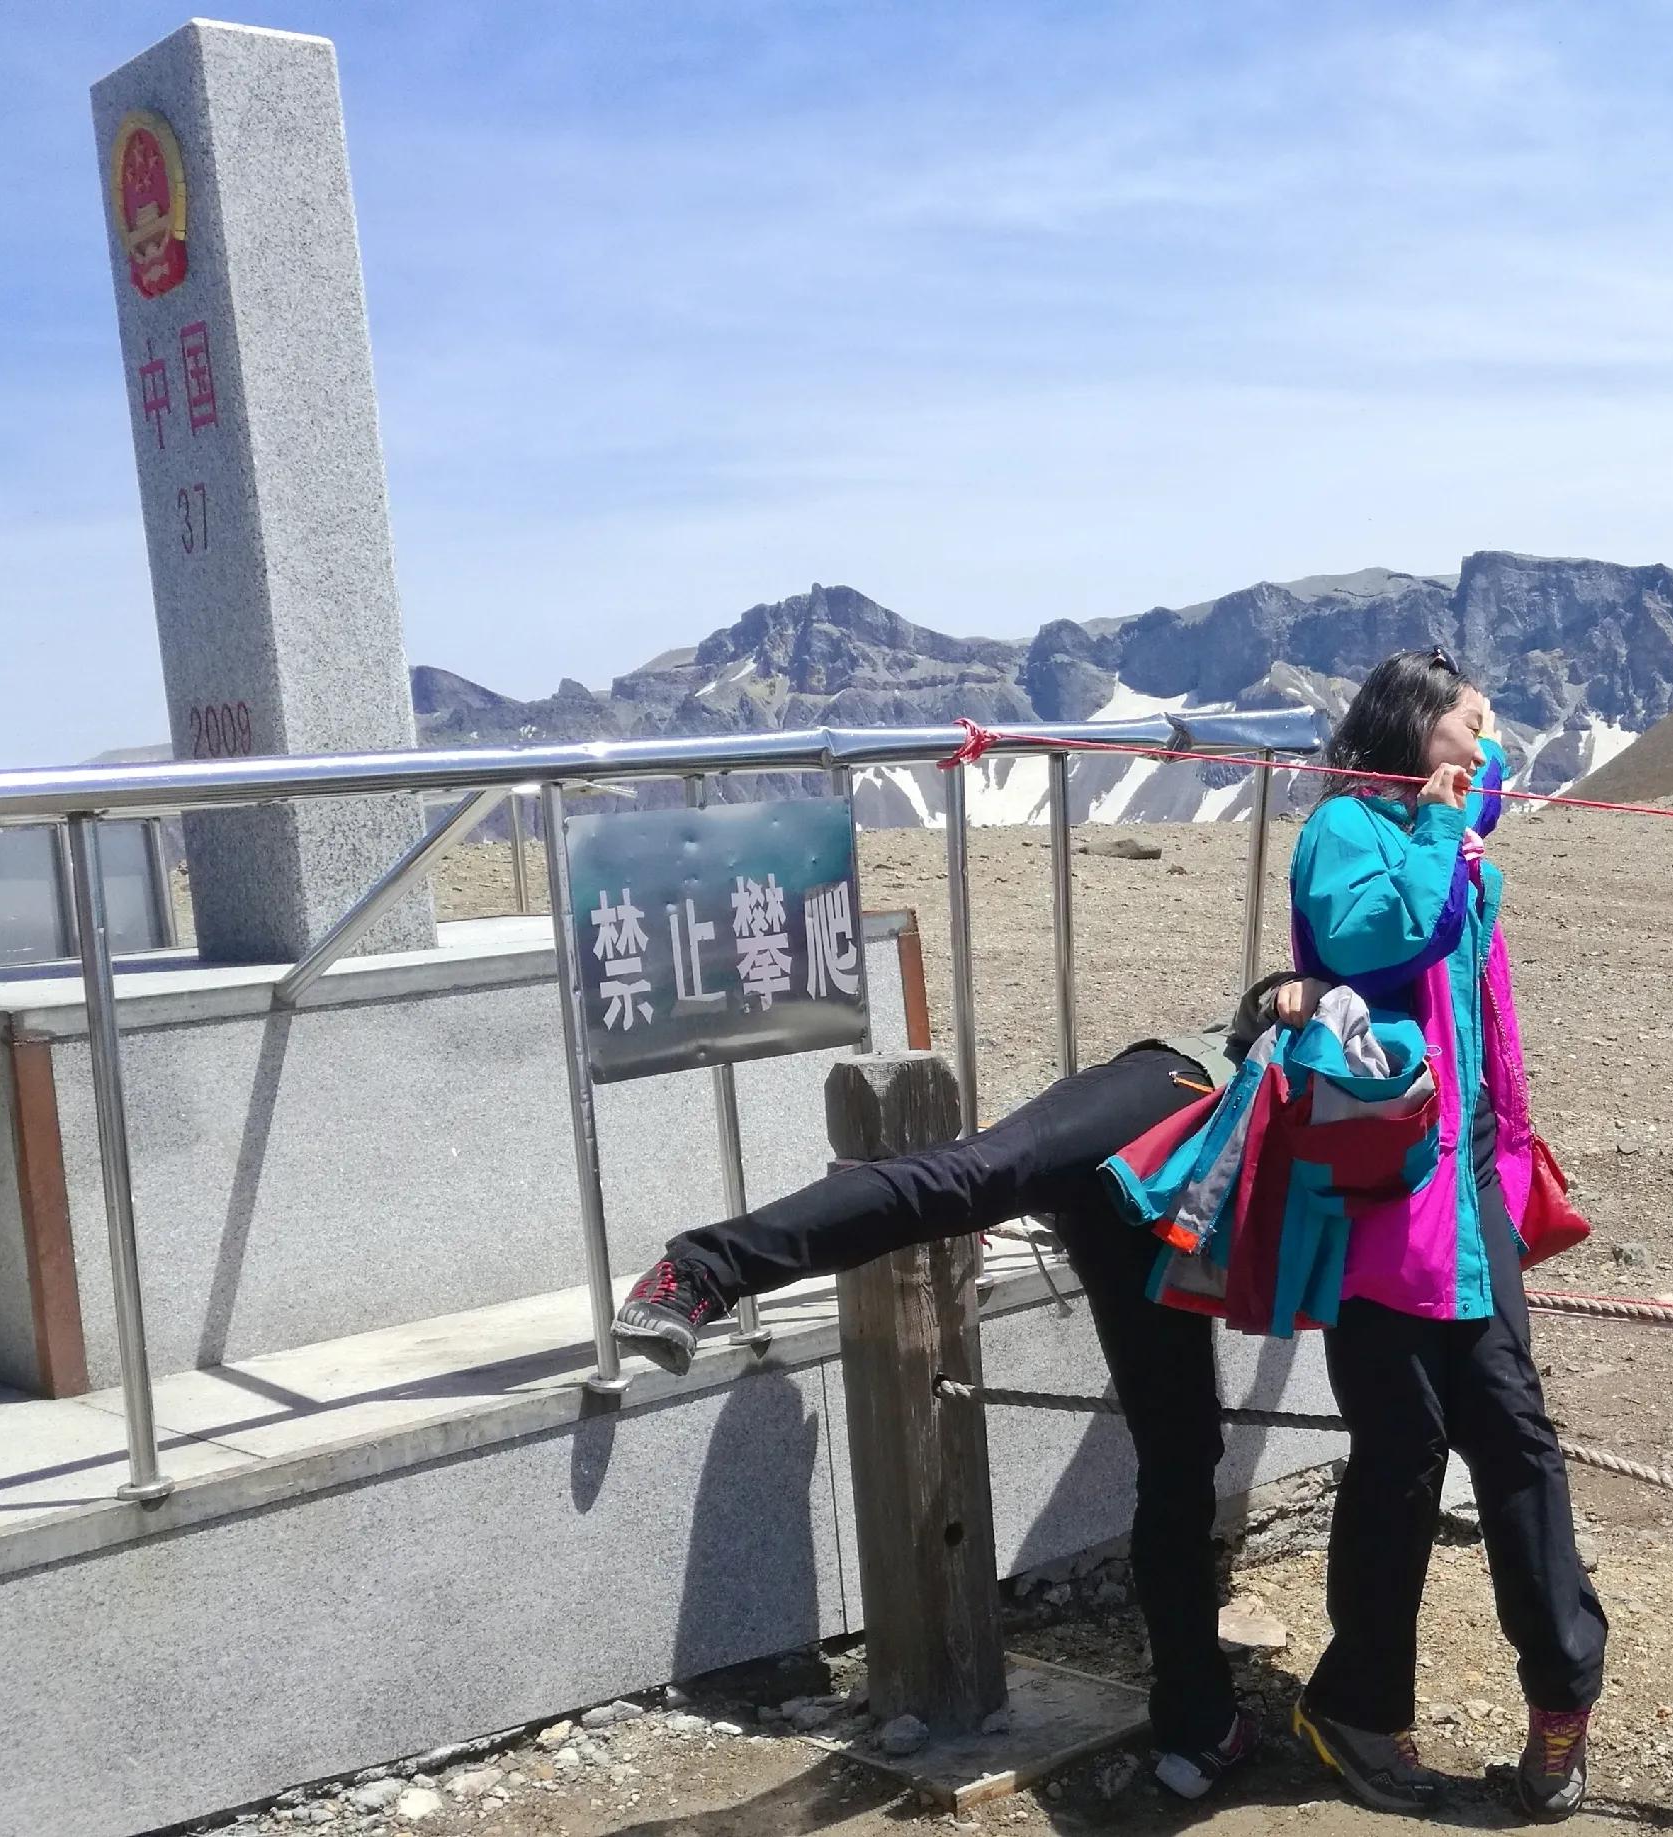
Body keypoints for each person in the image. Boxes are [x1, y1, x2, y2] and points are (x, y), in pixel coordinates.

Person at [610, 971, 1325, 1803]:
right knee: (980, 1172)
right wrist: (1287, 989)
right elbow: (1292, 979)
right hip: (1184, 1099)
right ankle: (700, 1268)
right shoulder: (1404, 918)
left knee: (1182, 1449)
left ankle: (1199, 1718)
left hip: (1195, 1214)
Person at [1281, 648, 1608, 1821]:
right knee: (1404, 1458)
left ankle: (1563, 1692)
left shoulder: (1449, 834)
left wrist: (1460, 817)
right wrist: (1435, 829)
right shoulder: (1344, 835)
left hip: (1468, 1194)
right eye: (1472, 726)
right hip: (1381, 1203)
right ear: (1416, 729)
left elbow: (1472, 893)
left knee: (1515, 1442)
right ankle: (1357, 1708)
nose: (1488, 747)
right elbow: (1379, 944)